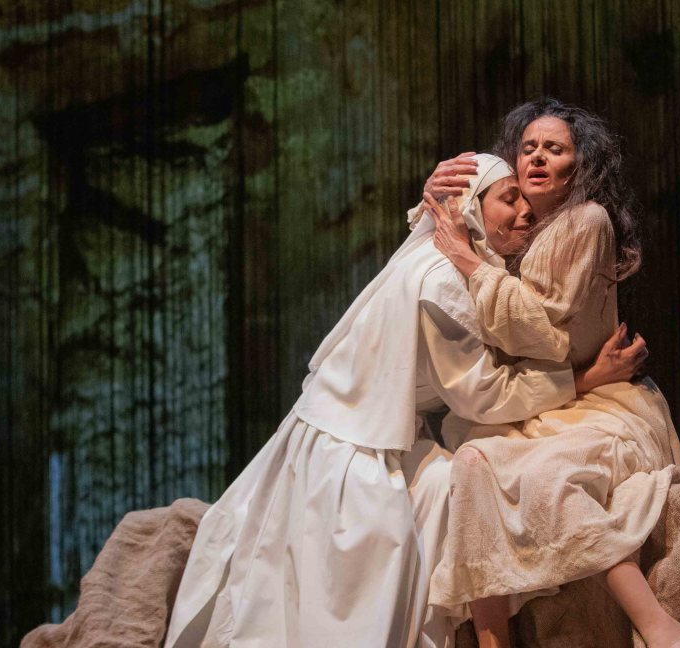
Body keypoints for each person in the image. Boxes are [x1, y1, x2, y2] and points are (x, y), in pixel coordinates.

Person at [162, 154, 647, 648]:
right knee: (453, 500)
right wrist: (582, 379)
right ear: (470, 210)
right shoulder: (442, 281)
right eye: (509, 199)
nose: (525, 210)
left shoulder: (445, 260)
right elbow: (484, 394)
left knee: (466, 480)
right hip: (354, 455)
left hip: (367, 433)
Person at [416, 98, 680, 648]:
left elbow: (538, 329)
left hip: (601, 404)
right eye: (528, 148)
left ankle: (658, 624)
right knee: (471, 466)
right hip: (543, 404)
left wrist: (470, 262)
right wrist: (435, 192)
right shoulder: (514, 228)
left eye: (555, 148)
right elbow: (445, 222)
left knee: (548, 477)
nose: (538, 157)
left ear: (578, 165)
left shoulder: (585, 222)